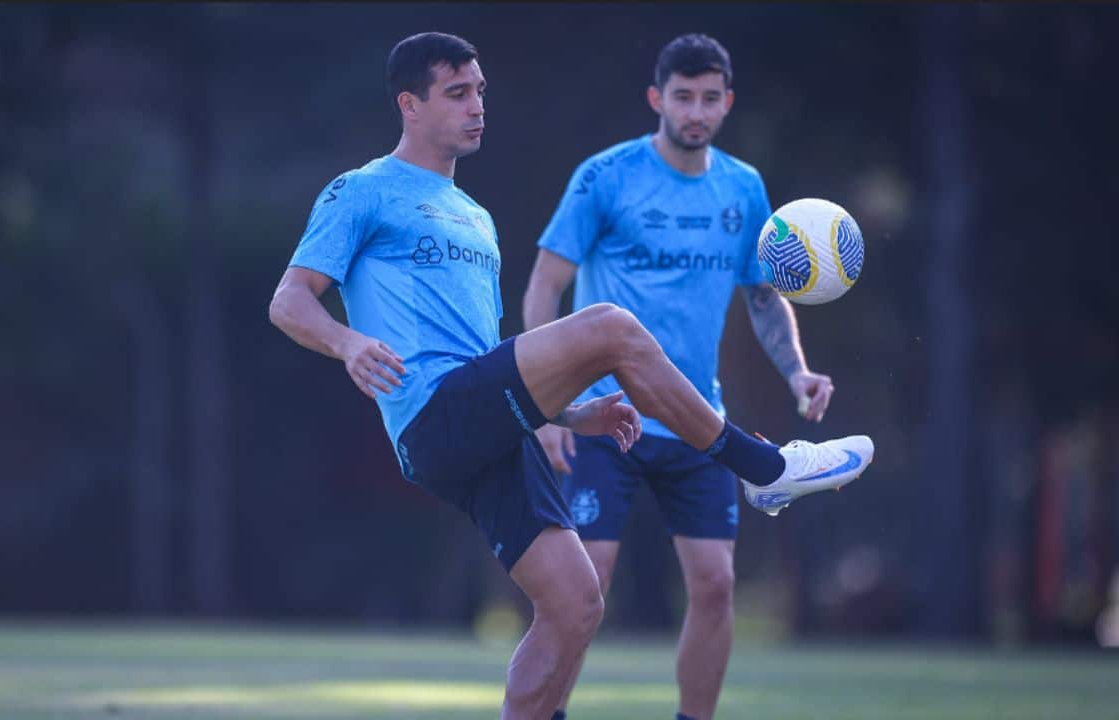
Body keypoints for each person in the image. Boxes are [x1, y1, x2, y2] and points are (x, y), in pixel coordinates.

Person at [269, 31, 873, 720]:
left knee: (577, 605)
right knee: (611, 326)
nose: (477, 107)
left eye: (481, 92)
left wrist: (566, 414)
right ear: (409, 104)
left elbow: (488, 355)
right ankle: (763, 467)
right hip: (432, 411)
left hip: (486, 424)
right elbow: (289, 300)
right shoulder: (362, 190)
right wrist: (347, 344)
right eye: (458, 94)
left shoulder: (475, 218)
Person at [523, 33, 850, 720]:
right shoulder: (605, 176)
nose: (695, 111)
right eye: (682, 97)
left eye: (709, 98)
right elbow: (544, 287)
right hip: (605, 416)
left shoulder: (743, 187)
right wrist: (550, 405)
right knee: (586, 588)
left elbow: (763, 295)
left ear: (727, 102)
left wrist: (797, 373)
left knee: (716, 584)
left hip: (699, 421)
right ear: (656, 99)